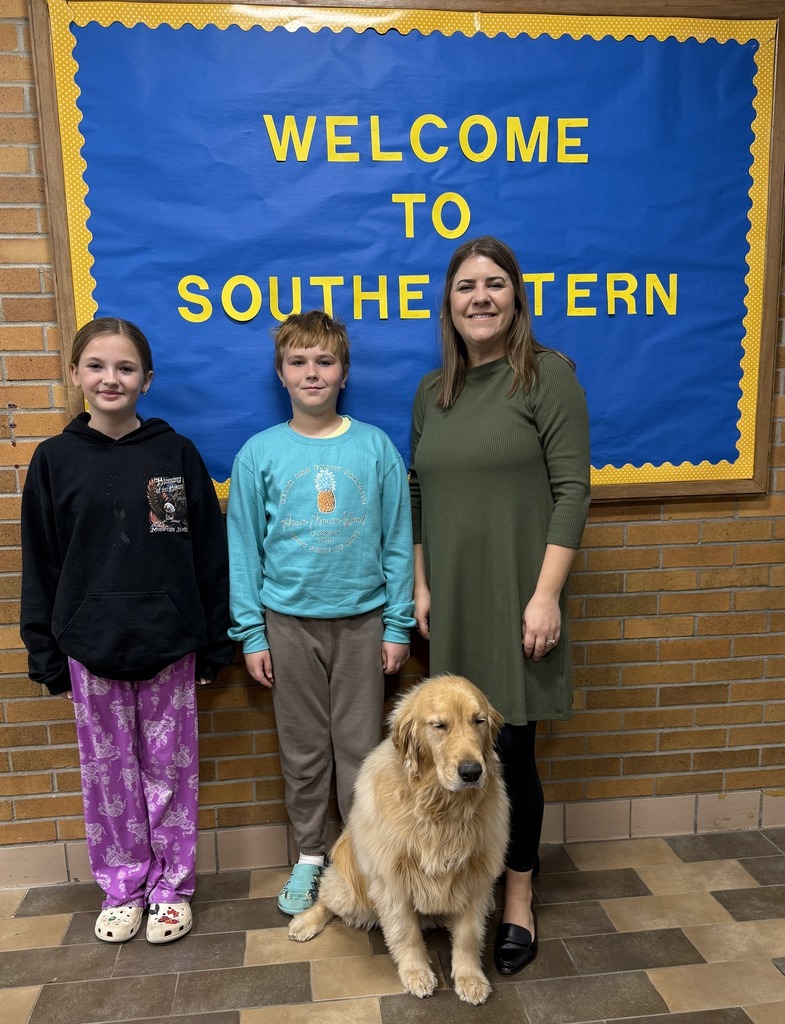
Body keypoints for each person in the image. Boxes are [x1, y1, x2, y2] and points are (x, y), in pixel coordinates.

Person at [409, 237, 590, 976]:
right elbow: (419, 497)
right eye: (465, 287)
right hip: (448, 602)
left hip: (519, 600)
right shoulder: (432, 392)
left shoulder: (547, 376)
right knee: (453, 760)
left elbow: (573, 490)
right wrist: (420, 585)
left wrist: (545, 597)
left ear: (516, 296)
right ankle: (461, 893)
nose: (479, 297)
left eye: (493, 284)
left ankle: (516, 898)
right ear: (447, 304)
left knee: (510, 752)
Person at [21, 317, 232, 945]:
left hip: (169, 646)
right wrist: (46, 650)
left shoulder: (173, 455)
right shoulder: (55, 460)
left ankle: (170, 887)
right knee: (109, 778)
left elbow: (202, 556)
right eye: (97, 366)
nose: (111, 379)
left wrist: (213, 641)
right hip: (89, 649)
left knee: (170, 774)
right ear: (77, 375)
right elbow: (42, 561)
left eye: (125, 368)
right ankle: (122, 886)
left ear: (146, 379)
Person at [227, 310, 415, 916]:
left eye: (324, 362)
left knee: (361, 748)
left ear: (344, 372)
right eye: (298, 362)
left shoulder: (374, 446)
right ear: (280, 372)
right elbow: (244, 553)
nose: (312, 373)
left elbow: (396, 540)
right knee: (304, 748)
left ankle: (359, 853)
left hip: (364, 622)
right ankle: (310, 854)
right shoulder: (259, 454)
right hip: (287, 624)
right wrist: (252, 634)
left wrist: (397, 623)